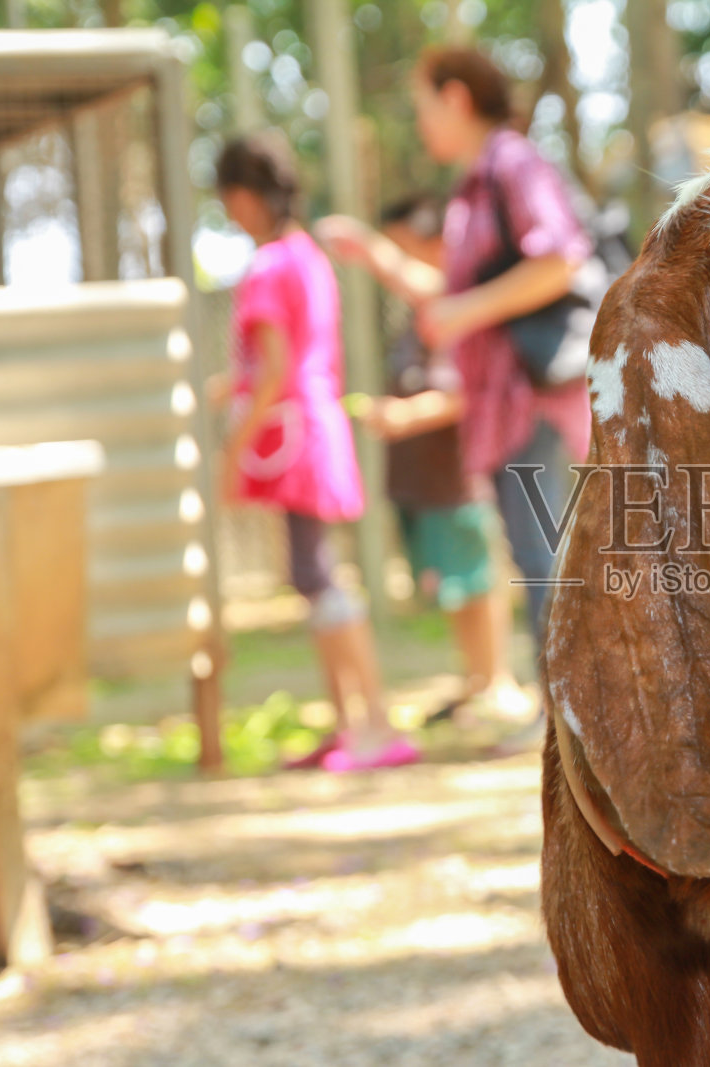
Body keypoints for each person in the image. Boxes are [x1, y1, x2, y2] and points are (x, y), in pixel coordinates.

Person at [316, 45, 592, 655]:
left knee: (549, 565)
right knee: (534, 560)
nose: (420, 124)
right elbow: (458, 295)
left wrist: (465, 310)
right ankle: (563, 720)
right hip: (501, 405)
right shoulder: (475, 183)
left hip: (532, 396)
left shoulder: (511, 164)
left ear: (455, 97)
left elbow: (559, 259)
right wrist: (377, 257)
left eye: (423, 107)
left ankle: (577, 727)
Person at [214, 131, 418, 772]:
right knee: (313, 573)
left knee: (322, 577)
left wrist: (232, 449)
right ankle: (347, 726)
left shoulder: (269, 264)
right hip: (315, 429)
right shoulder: (306, 256)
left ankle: (376, 726)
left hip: (290, 437)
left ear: (242, 198)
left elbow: (274, 367)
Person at [365, 194, 529, 724]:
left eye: (404, 251)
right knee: (455, 586)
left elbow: (464, 394)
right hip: (425, 478)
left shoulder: (461, 309)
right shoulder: (421, 319)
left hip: (461, 475)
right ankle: (476, 680)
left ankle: (499, 681)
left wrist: (407, 416)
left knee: (480, 579)